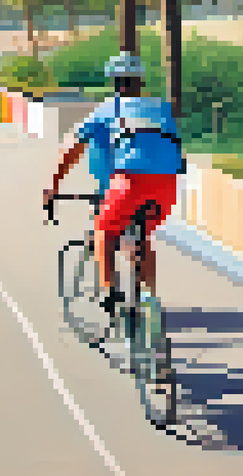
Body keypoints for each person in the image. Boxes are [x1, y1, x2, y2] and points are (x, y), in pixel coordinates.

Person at [42, 53, 185, 318]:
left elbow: (71, 149)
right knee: (141, 238)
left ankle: (109, 293)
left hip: (128, 182)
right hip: (168, 185)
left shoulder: (109, 109)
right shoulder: (162, 108)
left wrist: (53, 187)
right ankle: (148, 301)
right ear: (141, 80)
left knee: (104, 232)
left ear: (114, 82)